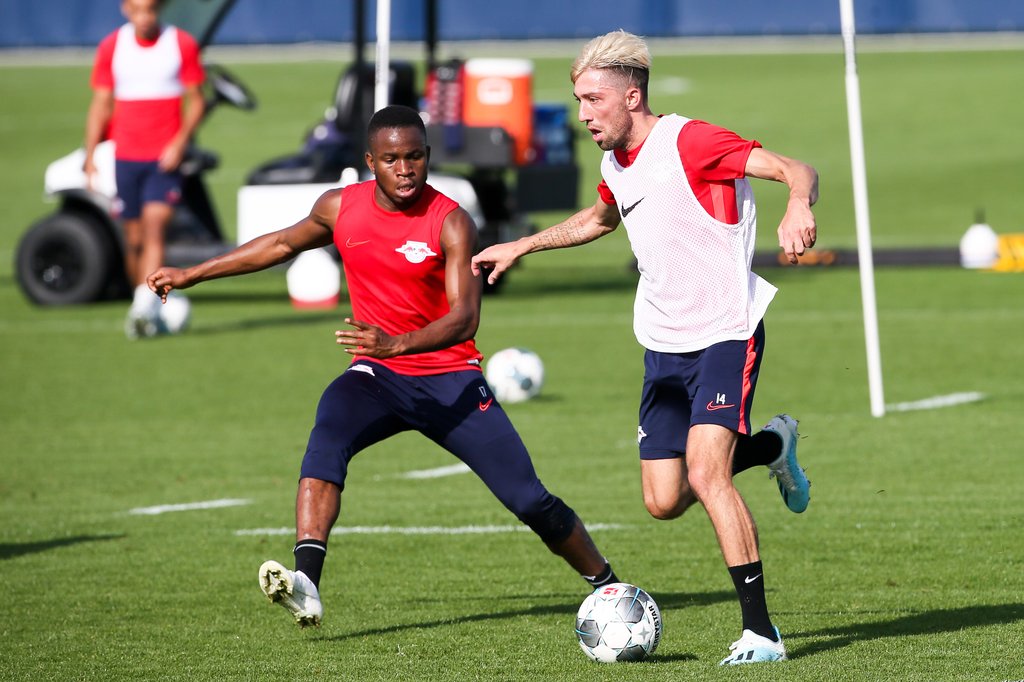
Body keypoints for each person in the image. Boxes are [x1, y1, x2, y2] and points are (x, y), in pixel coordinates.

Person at [147, 105, 620, 628]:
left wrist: (396, 343)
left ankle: (608, 585)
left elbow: (464, 318)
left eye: (415, 156)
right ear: (370, 161)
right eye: (391, 159)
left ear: (428, 156)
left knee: (528, 500)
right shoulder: (339, 207)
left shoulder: (452, 221)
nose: (405, 169)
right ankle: (307, 583)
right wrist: (192, 274)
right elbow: (279, 245)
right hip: (378, 377)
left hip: (451, 382)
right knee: (327, 437)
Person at [471, 30, 816, 665]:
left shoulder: (691, 141)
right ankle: (772, 446)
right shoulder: (615, 162)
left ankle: (762, 633)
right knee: (663, 500)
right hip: (663, 344)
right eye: (579, 101)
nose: (583, 114)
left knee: (707, 474)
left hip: (726, 331)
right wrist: (523, 245)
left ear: (632, 96)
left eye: (593, 100)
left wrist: (797, 203)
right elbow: (600, 219)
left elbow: (797, 169)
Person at [85, 0, 205, 339]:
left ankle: (142, 308)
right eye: (137, 9)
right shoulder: (113, 46)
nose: (144, 17)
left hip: (163, 160)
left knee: (154, 230)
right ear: (126, 9)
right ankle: (143, 301)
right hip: (125, 157)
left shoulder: (180, 43)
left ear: (160, 8)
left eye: (150, 9)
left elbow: (197, 100)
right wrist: (90, 154)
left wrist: (179, 143)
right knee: (134, 239)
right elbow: (101, 104)